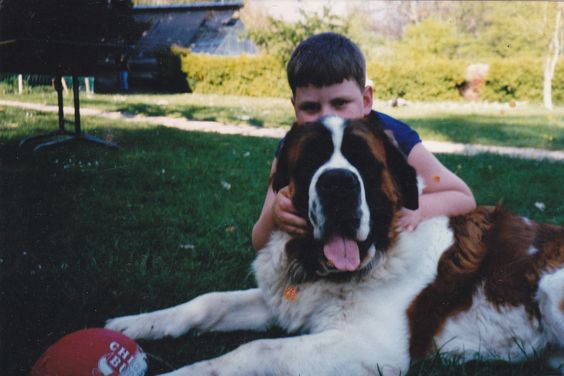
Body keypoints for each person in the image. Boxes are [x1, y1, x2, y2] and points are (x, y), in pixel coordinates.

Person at [251, 32, 476, 251]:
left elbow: (463, 197)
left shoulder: (393, 137)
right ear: (294, 107)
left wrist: (416, 209)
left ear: (366, 100)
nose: (327, 118)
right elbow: (259, 241)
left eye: (340, 103)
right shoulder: (292, 149)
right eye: (310, 107)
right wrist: (275, 216)